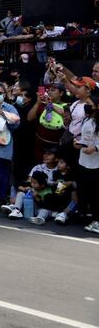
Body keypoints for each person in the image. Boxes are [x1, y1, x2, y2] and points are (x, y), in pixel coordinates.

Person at [75, 96, 99, 234]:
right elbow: (85, 138)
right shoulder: (87, 119)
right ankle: (86, 215)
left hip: (96, 163)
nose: (87, 106)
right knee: (85, 191)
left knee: (96, 194)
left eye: (90, 104)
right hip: (84, 161)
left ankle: (97, 221)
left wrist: (95, 148)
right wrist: (79, 143)